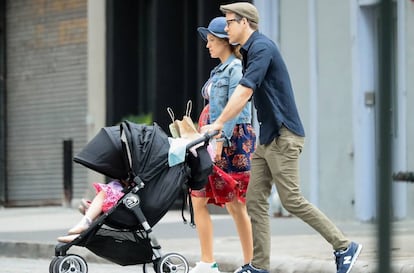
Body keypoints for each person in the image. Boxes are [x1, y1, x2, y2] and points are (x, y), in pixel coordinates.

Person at [203, 3, 362, 273]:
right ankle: (259, 266)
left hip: (284, 135)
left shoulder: (262, 48)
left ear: (244, 23)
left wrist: (218, 123)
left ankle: (344, 245)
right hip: (267, 138)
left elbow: (243, 92)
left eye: (229, 22)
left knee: (291, 199)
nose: (226, 27)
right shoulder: (248, 52)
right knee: (254, 200)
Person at [188, 16, 256, 273]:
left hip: (231, 140)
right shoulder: (219, 70)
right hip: (211, 138)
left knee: (235, 204)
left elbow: (234, 109)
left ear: (226, 42)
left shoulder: (236, 69)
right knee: (198, 198)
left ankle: (251, 263)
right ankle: (207, 261)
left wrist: (219, 141)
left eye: (212, 41)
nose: (207, 45)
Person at [57, 180, 126, 243]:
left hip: (125, 205)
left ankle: (85, 226)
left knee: (105, 192)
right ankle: (84, 229)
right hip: (120, 200)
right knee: (85, 207)